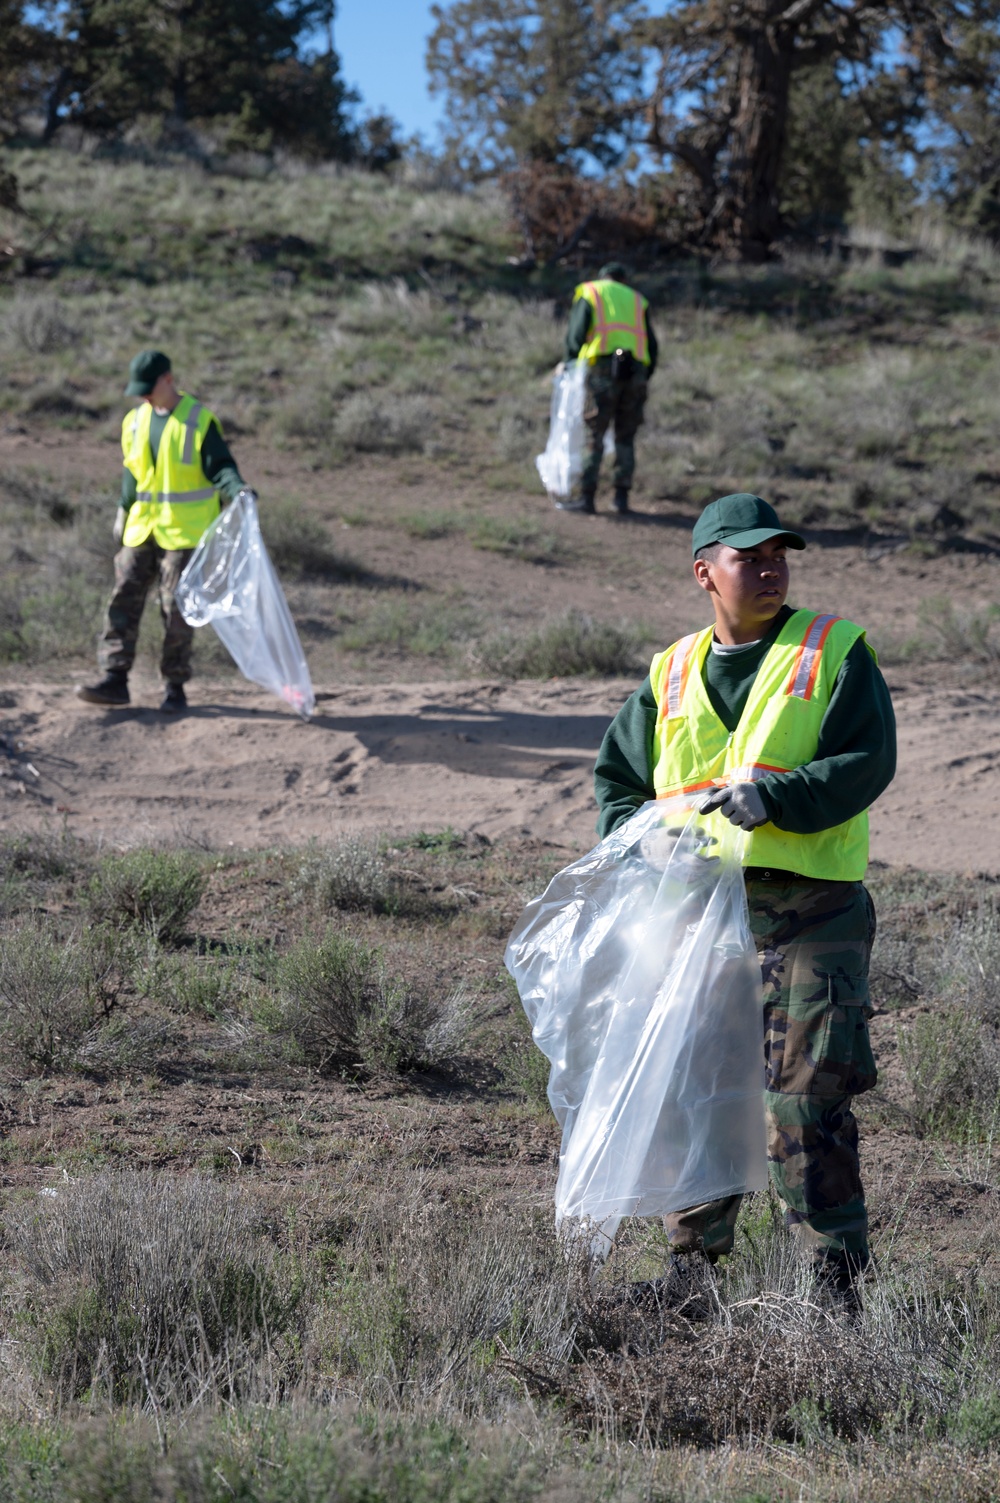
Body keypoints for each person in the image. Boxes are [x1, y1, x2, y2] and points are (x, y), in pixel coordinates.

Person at [593, 492, 896, 1312]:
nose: (770, 567)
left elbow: (868, 757)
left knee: (804, 1099)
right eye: (748, 556)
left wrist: (783, 798)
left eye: (779, 554)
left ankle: (837, 1293)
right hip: (699, 913)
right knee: (699, 1088)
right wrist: (641, 837)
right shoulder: (672, 669)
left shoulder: (833, 650)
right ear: (705, 572)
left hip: (812, 911)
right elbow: (619, 780)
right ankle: (693, 1275)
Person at [76, 350, 252, 713]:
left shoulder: (198, 421)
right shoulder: (135, 421)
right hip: (142, 529)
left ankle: (175, 687)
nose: (142, 395)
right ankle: (115, 680)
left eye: (148, 387)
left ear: (168, 379)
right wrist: (123, 510)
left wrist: (238, 490)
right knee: (122, 599)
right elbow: (132, 471)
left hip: (185, 534)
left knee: (176, 612)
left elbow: (221, 466)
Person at [559, 261, 658, 516]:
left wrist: (570, 360)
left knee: (595, 433)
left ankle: (587, 497)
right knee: (626, 435)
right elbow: (652, 344)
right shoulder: (638, 300)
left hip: (602, 368)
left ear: (603, 276)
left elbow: (576, 332)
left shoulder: (592, 291)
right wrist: (644, 374)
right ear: (623, 279)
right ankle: (621, 498)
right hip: (635, 372)